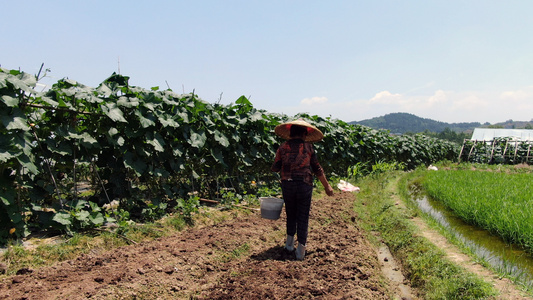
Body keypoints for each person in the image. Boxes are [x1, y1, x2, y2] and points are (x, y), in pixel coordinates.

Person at [271, 119, 334, 260]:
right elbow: (317, 168)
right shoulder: (309, 148)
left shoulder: (282, 147)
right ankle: (300, 251)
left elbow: (275, 167)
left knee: (291, 214)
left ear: (291, 133)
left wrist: (284, 165)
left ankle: (288, 246)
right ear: (304, 134)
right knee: (303, 216)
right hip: (304, 184)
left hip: (287, 184)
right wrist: (327, 186)